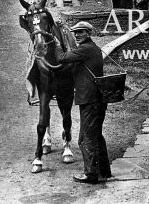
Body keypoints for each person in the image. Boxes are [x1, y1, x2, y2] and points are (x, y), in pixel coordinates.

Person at [55, 21, 111, 185]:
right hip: (97, 99)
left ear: (88, 33)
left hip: (89, 100)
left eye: (81, 32)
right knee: (97, 136)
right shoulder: (93, 49)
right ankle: (104, 171)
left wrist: (58, 44)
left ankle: (91, 174)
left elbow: (62, 58)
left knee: (85, 139)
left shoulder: (86, 49)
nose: (77, 35)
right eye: (75, 32)